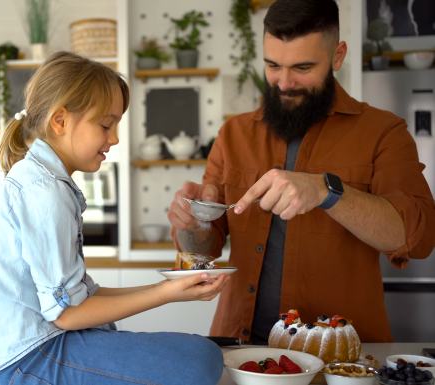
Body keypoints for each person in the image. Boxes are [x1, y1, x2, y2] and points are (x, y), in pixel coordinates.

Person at [168, 0, 435, 345]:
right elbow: (208, 246)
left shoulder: (384, 131)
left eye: (303, 67)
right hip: (237, 348)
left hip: (339, 357)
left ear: (338, 56)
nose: (284, 82)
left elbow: (418, 238)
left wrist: (329, 193)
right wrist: (192, 223)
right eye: (272, 65)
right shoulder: (234, 134)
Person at [0, 51, 228, 385]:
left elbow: (80, 298)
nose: (115, 138)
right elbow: (67, 314)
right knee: (200, 360)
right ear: (59, 121)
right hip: (28, 358)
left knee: (197, 353)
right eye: (106, 124)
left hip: (30, 349)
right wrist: (168, 294)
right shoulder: (45, 192)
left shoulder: (44, 180)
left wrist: (170, 287)